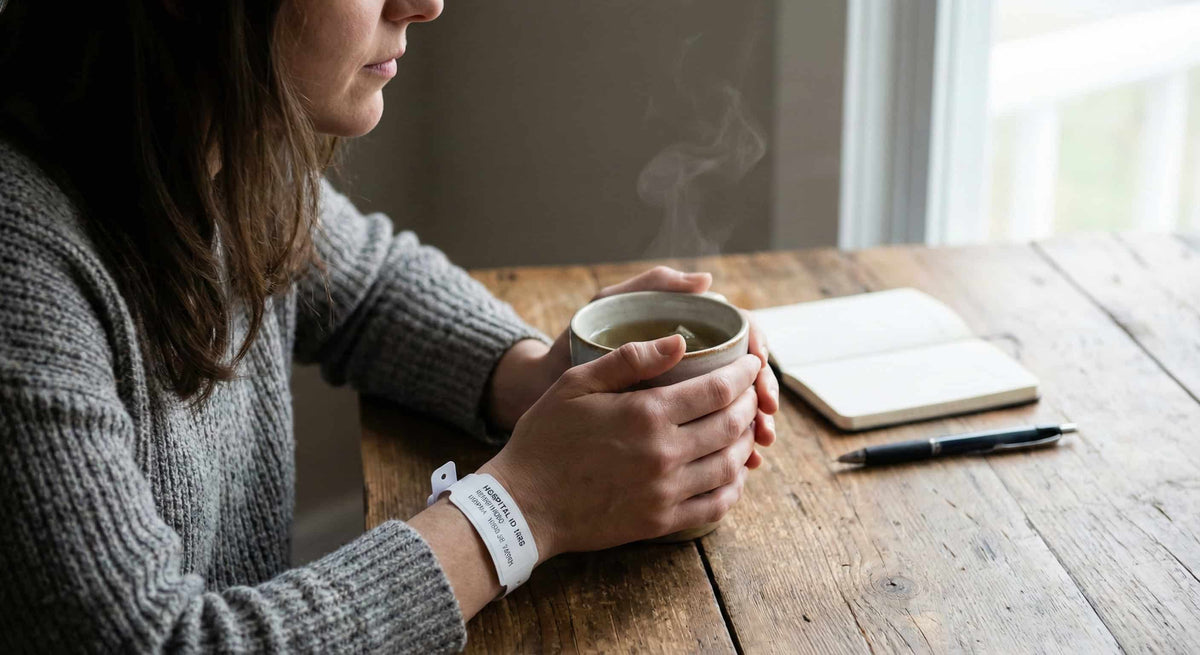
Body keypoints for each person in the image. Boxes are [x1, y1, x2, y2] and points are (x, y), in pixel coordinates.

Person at [0, 0, 779, 652]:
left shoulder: (218, 145)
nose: (425, 3)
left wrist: (541, 378)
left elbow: (370, 285)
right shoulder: (21, 261)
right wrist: (525, 507)